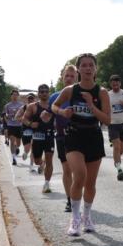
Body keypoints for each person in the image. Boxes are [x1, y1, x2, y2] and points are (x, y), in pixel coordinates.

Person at [51, 53, 111, 235]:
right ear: (78, 69)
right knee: (80, 175)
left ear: (96, 68)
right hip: (74, 135)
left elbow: (107, 120)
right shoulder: (70, 90)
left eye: (91, 65)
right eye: (83, 65)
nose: (87, 68)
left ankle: (87, 216)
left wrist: (91, 106)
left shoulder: (102, 92)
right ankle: (75, 218)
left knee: (90, 183)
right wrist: (62, 112)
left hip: (93, 136)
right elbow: (54, 106)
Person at [50, 65, 78, 212]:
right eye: (66, 76)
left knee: (80, 170)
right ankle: (69, 200)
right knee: (67, 169)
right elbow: (49, 115)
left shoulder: (82, 95)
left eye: (72, 76)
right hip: (62, 136)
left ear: (77, 78)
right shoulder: (54, 97)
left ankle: (77, 197)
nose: (69, 78)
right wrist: (46, 116)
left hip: (80, 136)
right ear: (62, 78)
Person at [22, 84, 56, 193]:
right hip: (37, 136)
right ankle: (41, 163)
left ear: (49, 93)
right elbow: (24, 119)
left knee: (49, 159)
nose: (44, 93)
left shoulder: (53, 105)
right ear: (38, 93)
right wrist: (30, 124)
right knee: (36, 161)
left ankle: (47, 184)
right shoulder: (32, 106)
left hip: (49, 135)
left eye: (46, 91)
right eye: (42, 92)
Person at [3, 91, 24, 164]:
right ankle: (14, 158)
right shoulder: (7, 105)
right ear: (11, 96)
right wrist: (7, 121)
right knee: (12, 142)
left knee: (18, 143)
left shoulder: (21, 105)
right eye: (13, 95)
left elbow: (24, 114)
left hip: (19, 125)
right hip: (11, 125)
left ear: (18, 96)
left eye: (16, 95)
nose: (15, 96)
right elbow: (5, 115)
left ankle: (17, 147)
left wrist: (20, 118)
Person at [19, 93, 36, 169]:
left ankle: (31, 165)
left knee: (33, 147)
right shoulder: (23, 107)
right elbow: (16, 117)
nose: (30, 100)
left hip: (35, 129)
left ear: (34, 99)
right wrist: (24, 119)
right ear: (27, 100)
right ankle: (25, 153)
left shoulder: (37, 107)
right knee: (27, 148)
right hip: (26, 129)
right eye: (29, 99)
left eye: (32, 98)